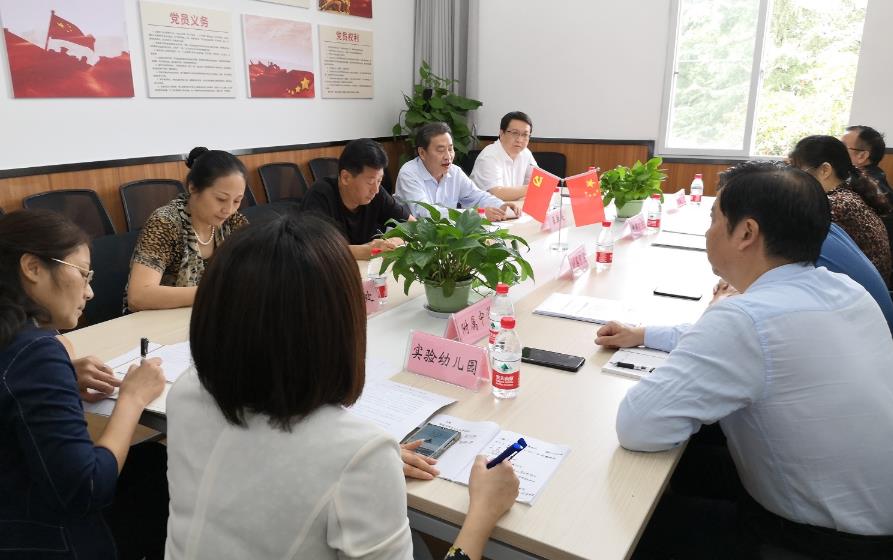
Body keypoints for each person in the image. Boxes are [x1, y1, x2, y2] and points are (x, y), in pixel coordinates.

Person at [165, 214, 519, 560]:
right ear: (340, 326)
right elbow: (313, 458)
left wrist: (359, 463)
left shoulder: (184, 392)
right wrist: (482, 513)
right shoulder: (359, 455)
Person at [596, 162, 893, 558]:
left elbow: (638, 426)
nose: (707, 231)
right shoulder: (842, 288)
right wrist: (647, 334)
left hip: (820, 542)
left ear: (746, 233)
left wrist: (709, 323)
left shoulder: (745, 320)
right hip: (870, 514)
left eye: (713, 219)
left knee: (624, 523)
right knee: (691, 461)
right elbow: (751, 342)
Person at [0, 210, 168, 560]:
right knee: (163, 478)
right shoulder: (35, 353)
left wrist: (62, 374)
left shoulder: (19, 344)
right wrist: (132, 399)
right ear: (32, 267)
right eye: (82, 274)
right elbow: (87, 488)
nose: (90, 292)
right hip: (38, 538)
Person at [125, 147, 248, 311]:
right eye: (221, 199)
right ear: (193, 188)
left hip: (208, 312)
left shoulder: (233, 222)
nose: (229, 210)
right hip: (157, 318)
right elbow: (139, 296)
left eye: (237, 201)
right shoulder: (165, 223)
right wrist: (215, 292)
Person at [789, 135, 892, 286]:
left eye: (797, 171)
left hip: (862, 294)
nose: (792, 178)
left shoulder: (836, 204)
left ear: (825, 170)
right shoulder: (848, 195)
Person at [302, 138, 413, 260]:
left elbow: (414, 225)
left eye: (379, 180)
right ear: (345, 177)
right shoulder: (320, 196)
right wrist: (370, 251)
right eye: (370, 182)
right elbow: (319, 249)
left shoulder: (377, 193)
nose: (375, 190)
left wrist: (393, 241)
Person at [396, 122, 520, 220]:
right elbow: (424, 213)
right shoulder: (409, 173)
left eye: (450, 149)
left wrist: (500, 205)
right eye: (440, 150)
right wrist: (477, 214)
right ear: (422, 153)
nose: (448, 156)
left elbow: (477, 196)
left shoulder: (454, 172)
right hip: (406, 239)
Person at [470, 111, 538, 201]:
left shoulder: (525, 153)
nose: (520, 140)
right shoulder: (489, 156)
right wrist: (532, 188)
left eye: (525, 135)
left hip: (512, 206)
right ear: (501, 134)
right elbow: (497, 194)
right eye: (515, 133)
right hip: (484, 208)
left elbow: (537, 179)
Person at [842, 125, 893, 203]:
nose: (835, 150)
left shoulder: (859, 183)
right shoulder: (874, 174)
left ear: (862, 156)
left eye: (842, 147)